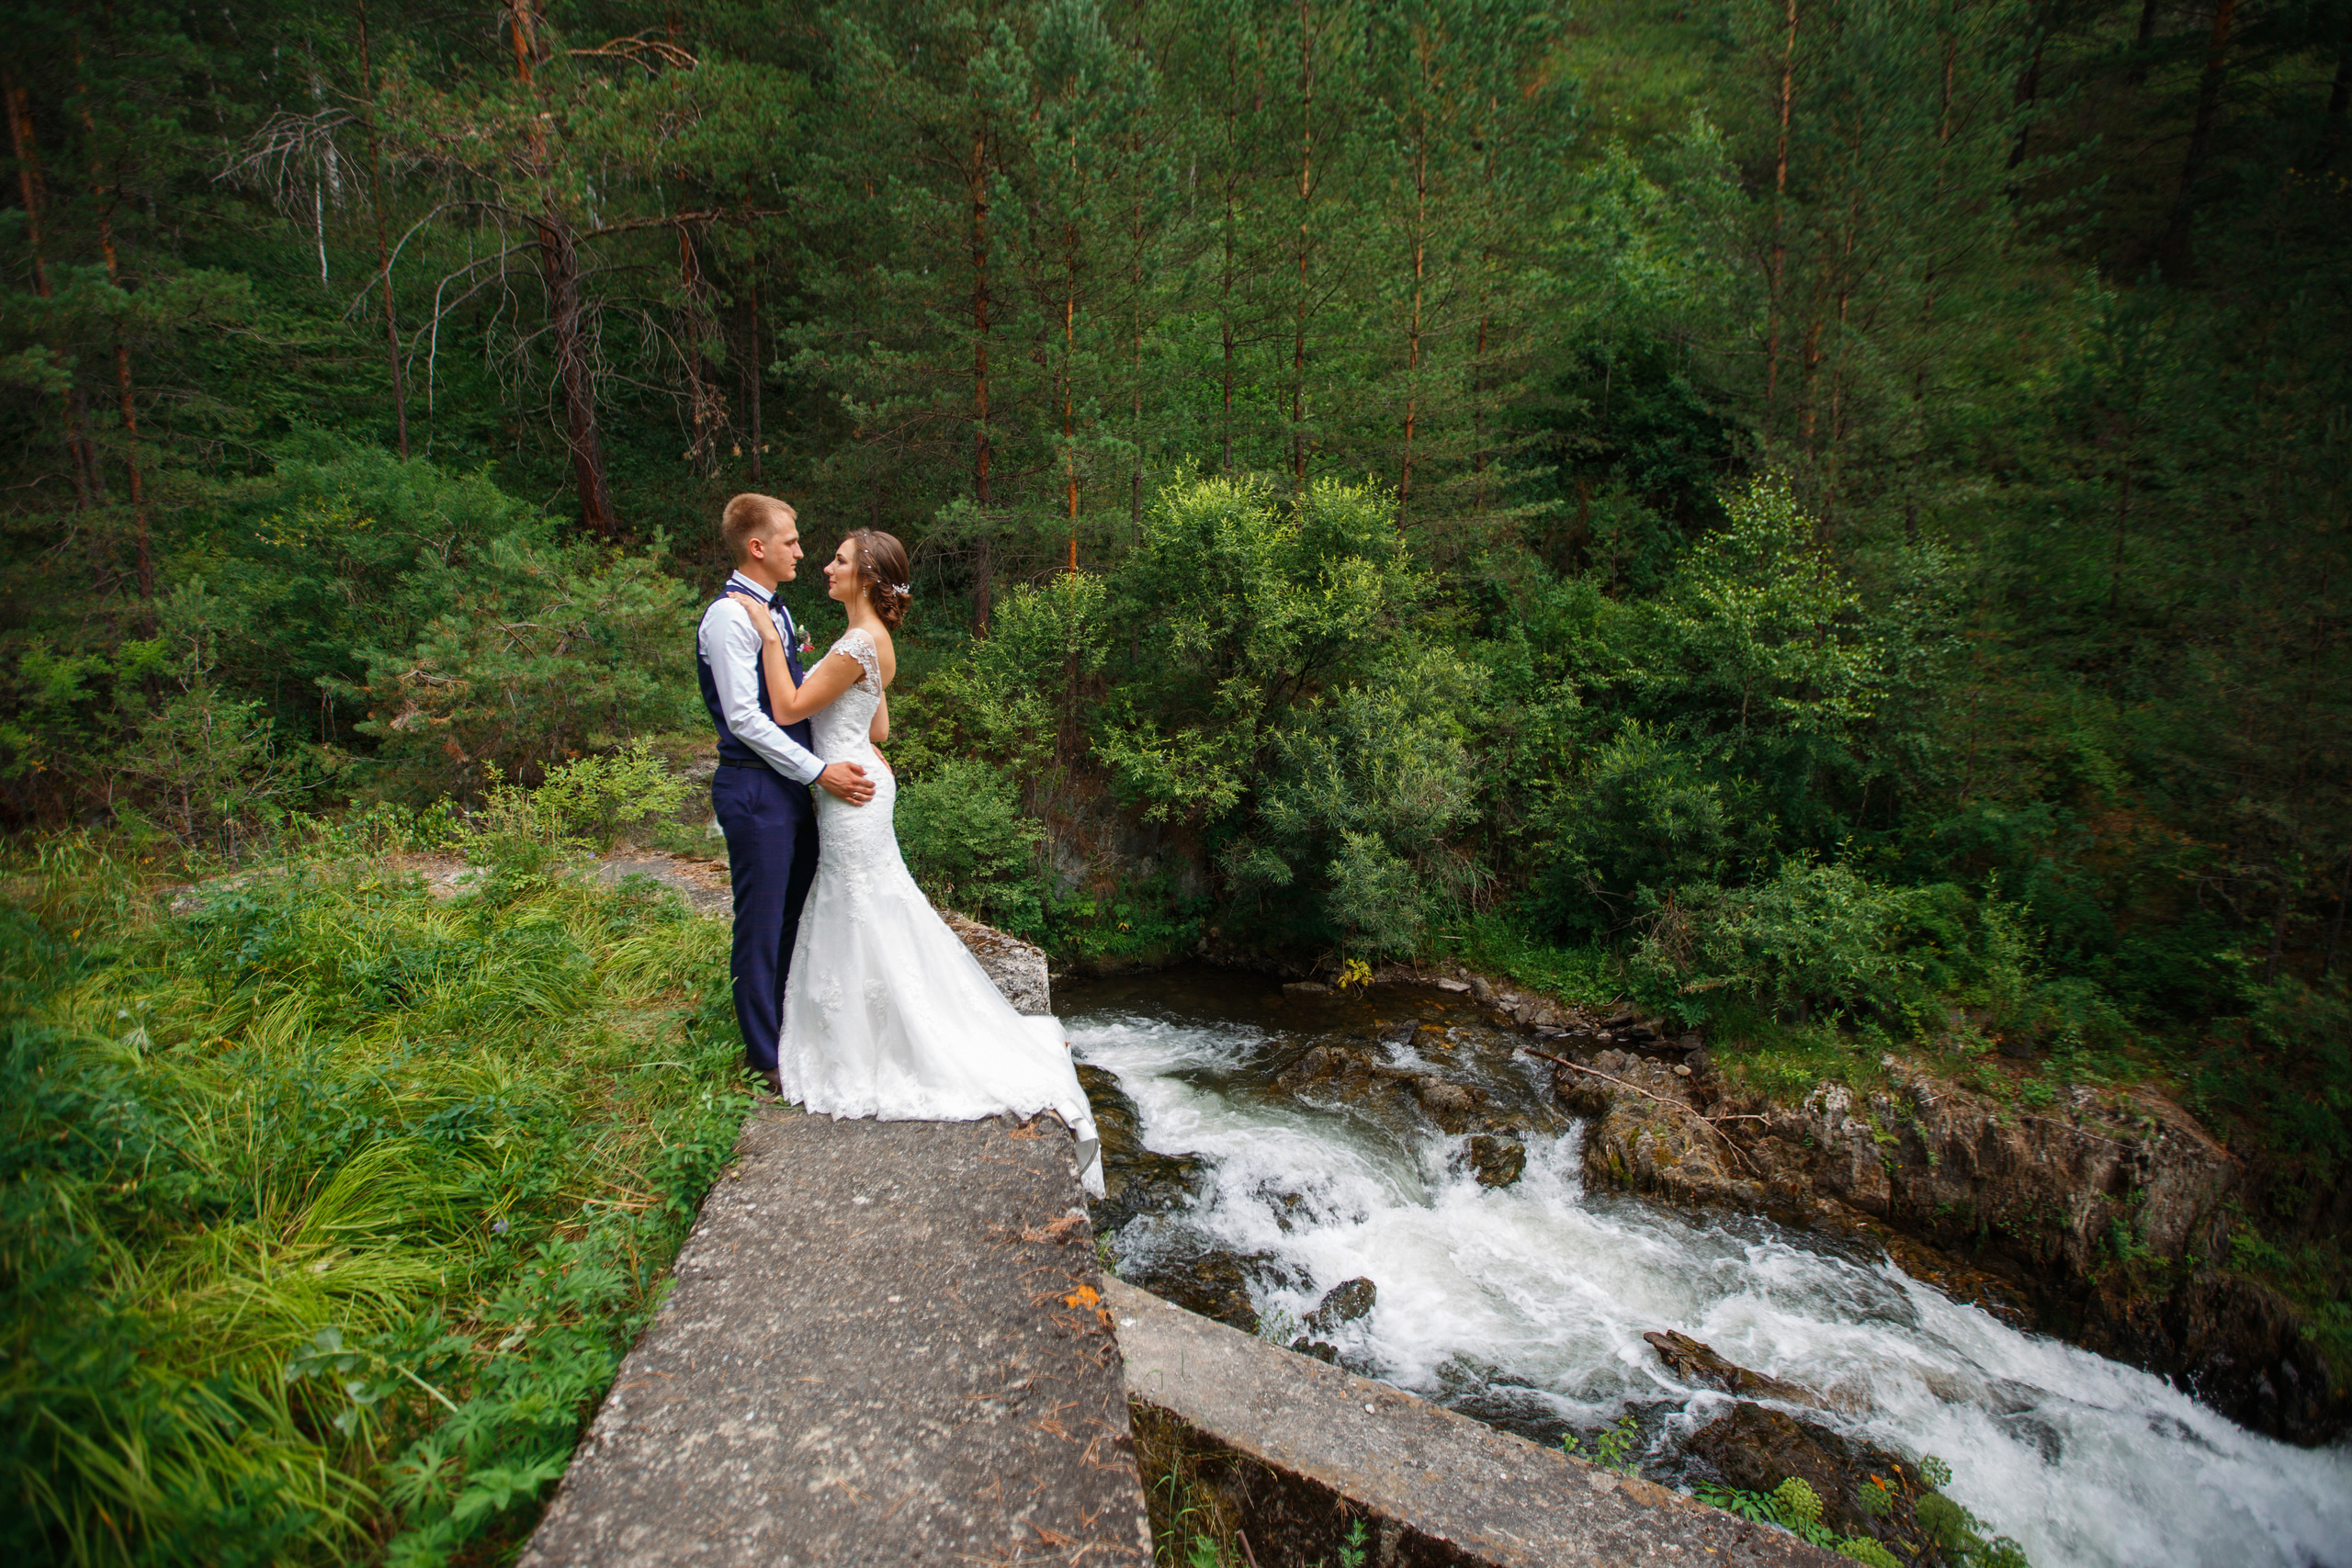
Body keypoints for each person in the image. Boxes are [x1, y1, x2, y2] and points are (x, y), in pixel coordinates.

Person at [730, 526, 1103, 1193]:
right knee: (873, 903)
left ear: (867, 577)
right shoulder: (871, 643)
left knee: (862, 905)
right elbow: (880, 729)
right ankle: (881, 1025)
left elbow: (786, 705)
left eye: (839, 560)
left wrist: (766, 637)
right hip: (862, 778)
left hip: (850, 795)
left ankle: (876, 1042)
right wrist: (841, 712)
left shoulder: (854, 644)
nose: (825, 566)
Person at [695, 494, 875, 1096]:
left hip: (790, 784)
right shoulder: (727, 618)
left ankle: (786, 1029)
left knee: (794, 915)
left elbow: (796, 698)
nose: (801, 550)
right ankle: (763, 1055)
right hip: (754, 785)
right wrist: (819, 771)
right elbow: (746, 718)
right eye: (792, 540)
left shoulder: (779, 612)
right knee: (761, 922)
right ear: (758, 546)